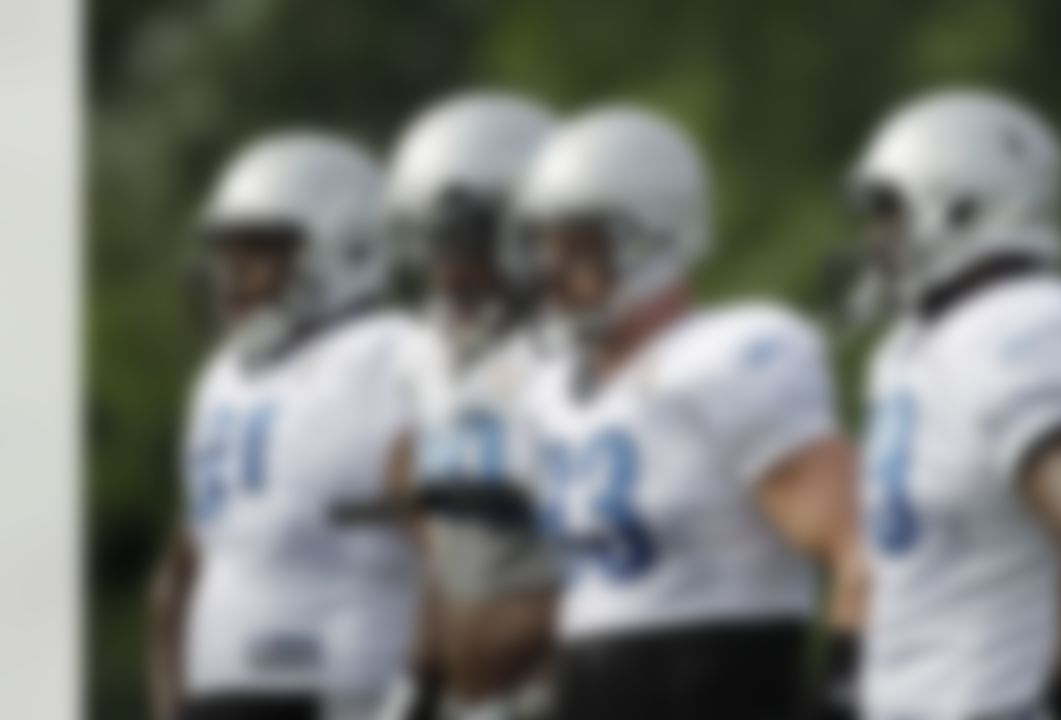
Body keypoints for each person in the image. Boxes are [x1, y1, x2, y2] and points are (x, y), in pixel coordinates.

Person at [510, 105, 862, 720]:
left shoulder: (724, 359)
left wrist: (843, 690)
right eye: (545, 246)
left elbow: (863, 549)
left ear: (657, 238)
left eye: (580, 247)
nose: (552, 273)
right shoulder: (547, 393)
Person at [839, 89, 1061, 720]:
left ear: (961, 211)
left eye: (890, 215)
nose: (876, 240)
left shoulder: (1023, 324)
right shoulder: (921, 345)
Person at [147, 133, 441, 720]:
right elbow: (183, 571)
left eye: (261, 251)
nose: (235, 275)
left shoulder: (392, 356)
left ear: (346, 246)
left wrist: (420, 690)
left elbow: (453, 555)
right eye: (231, 253)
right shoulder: (225, 376)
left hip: (348, 689)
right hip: (222, 696)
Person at [383, 92, 562, 720]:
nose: (451, 270)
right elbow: (444, 551)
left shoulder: (572, 356)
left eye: (471, 243)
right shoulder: (426, 357)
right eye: (437, 244)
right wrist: (419, 681)